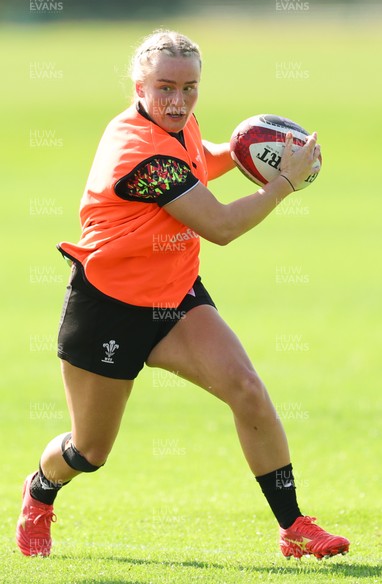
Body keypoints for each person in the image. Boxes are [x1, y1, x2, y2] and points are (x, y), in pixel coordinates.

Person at [16, 29, 350, 560]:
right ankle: (40, 491)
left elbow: (201, 159)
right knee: (90, 450)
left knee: (245, 387)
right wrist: (280, 184)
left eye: (190, 88)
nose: (178, 101)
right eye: (166, 88)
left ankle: (295, 527)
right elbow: (218, 225)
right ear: (139, 86)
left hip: (175, 297)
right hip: (108, 309)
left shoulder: (179, 126)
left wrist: (254, 150)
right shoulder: (138, 152)